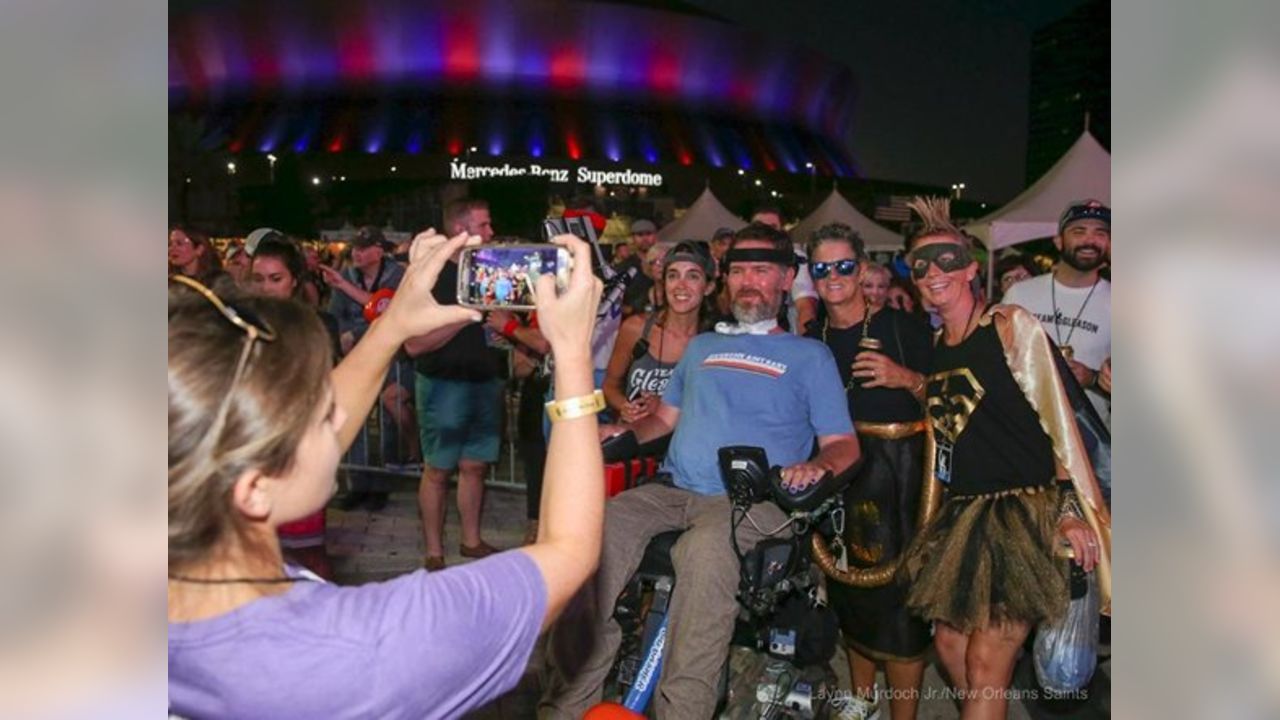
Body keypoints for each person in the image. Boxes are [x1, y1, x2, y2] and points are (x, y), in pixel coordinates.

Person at [168, 230, 606, 719]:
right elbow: (570, 551)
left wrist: (394, 324)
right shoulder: (366, 648)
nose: (339, 417)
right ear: (253, 489)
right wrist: (572, 357)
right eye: (317, 413)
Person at [541, 222, 860, 719]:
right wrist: (619, 435)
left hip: (749, 502)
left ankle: (682, 711)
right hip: (672, 489)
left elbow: (844, 445)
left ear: (786, 280)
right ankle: (564, 704)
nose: (748, 281)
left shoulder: (810, 356)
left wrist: (818, 465)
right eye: (738, 271)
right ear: (725, 280)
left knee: (704, 554)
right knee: (595, 535)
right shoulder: (702, 348)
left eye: (762, 270)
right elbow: (665, 421)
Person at [895, 197, 1111, 720]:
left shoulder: (1010, 325)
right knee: (949, 648)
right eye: (920, 265)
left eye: (947, 260)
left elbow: (1058, 419)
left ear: (972, 269)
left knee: (987, 662)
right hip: (965, 514)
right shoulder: (936, 344)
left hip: (1023, 513)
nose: (932, 274)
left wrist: (1066, 509)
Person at [804, 223, 932, 720]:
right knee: (847, 589)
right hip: (839, 481)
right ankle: (862, 703)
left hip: (899, 482)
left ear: (861, 270)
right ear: (811, 276)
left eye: (843, 266)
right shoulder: (810, 339)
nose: (833, 276)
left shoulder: (903, 328)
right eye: (822, 268)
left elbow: (949, 400)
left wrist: (905, 378)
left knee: (899, 605)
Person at [405, 198, 501, 571]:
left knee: (475, 466)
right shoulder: (430, 277)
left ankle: (471, 540)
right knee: (438, 469)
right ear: (460, 231)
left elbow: (499, 323)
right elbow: (414, 344)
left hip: (485, 380)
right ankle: (434, 550)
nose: (491, 233)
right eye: (484, 225)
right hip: (443, 383)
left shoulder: (487, 270)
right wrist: (470, 313)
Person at [248, 238, 343, 579]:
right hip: (252, 450)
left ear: (294, 281)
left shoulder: (319, 325)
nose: (266, 287)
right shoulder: (236, 325)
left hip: (301, 447)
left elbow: (330, 387)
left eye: (275, 279)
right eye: (258, 279)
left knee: (309, 554)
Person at [322, 225, 418, 509]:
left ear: (379, 250)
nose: (357, 253)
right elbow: (336, 315)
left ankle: (384, 483)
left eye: (364, 248)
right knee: (358, 420)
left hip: (393, 357)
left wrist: (357, 333)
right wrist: (342, 338)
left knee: (389, 416)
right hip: (357, 359)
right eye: (355, 248)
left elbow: (389, 314)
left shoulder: (398, 276)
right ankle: (359, 483)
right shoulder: (348, 277)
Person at [1001, 200, 1111, 425]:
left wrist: (1091, 378)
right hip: (1024, 431)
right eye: (1079, 231)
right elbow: (996, 358)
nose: (1090, 240)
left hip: (1089, 439)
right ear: (1059, 241)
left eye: (1100, 233)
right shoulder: (1019, 294)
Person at [602, 241, 717, 425]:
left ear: (708, 287)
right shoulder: (636, 328)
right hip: (636, 444)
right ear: (664, 283)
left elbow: (714, 408)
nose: (681, 285)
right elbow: (609, 386)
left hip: (683, 446)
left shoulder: (714, 341)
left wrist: (664, 408)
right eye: (673, 276)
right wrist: (626, 407)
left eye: (692, 276)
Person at [753, 205, 818, 333]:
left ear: (782, 231)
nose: (765, 232)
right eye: (759, 227)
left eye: (772, 227)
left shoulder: (795, 258)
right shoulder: (739, 257)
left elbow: (806, 306)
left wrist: (804, 345)